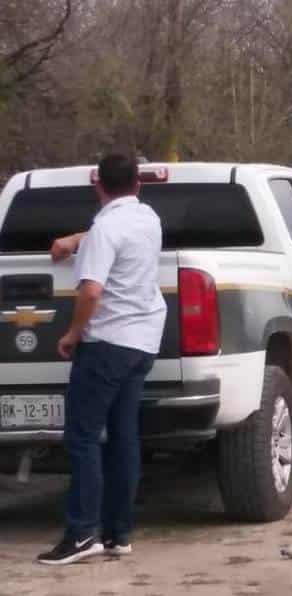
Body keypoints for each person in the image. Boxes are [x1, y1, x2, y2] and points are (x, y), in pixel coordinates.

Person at [37, 154, 167, 565]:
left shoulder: (106, 229)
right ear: (138, 185)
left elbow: (91, 292)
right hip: (142, 343)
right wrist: (77, 240)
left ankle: (81, 534)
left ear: (98, 185)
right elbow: (106, 232)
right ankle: (117, 534)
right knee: (123, 437)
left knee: (82, 438)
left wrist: (73, 334)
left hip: (106, 344)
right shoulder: (148, 218)